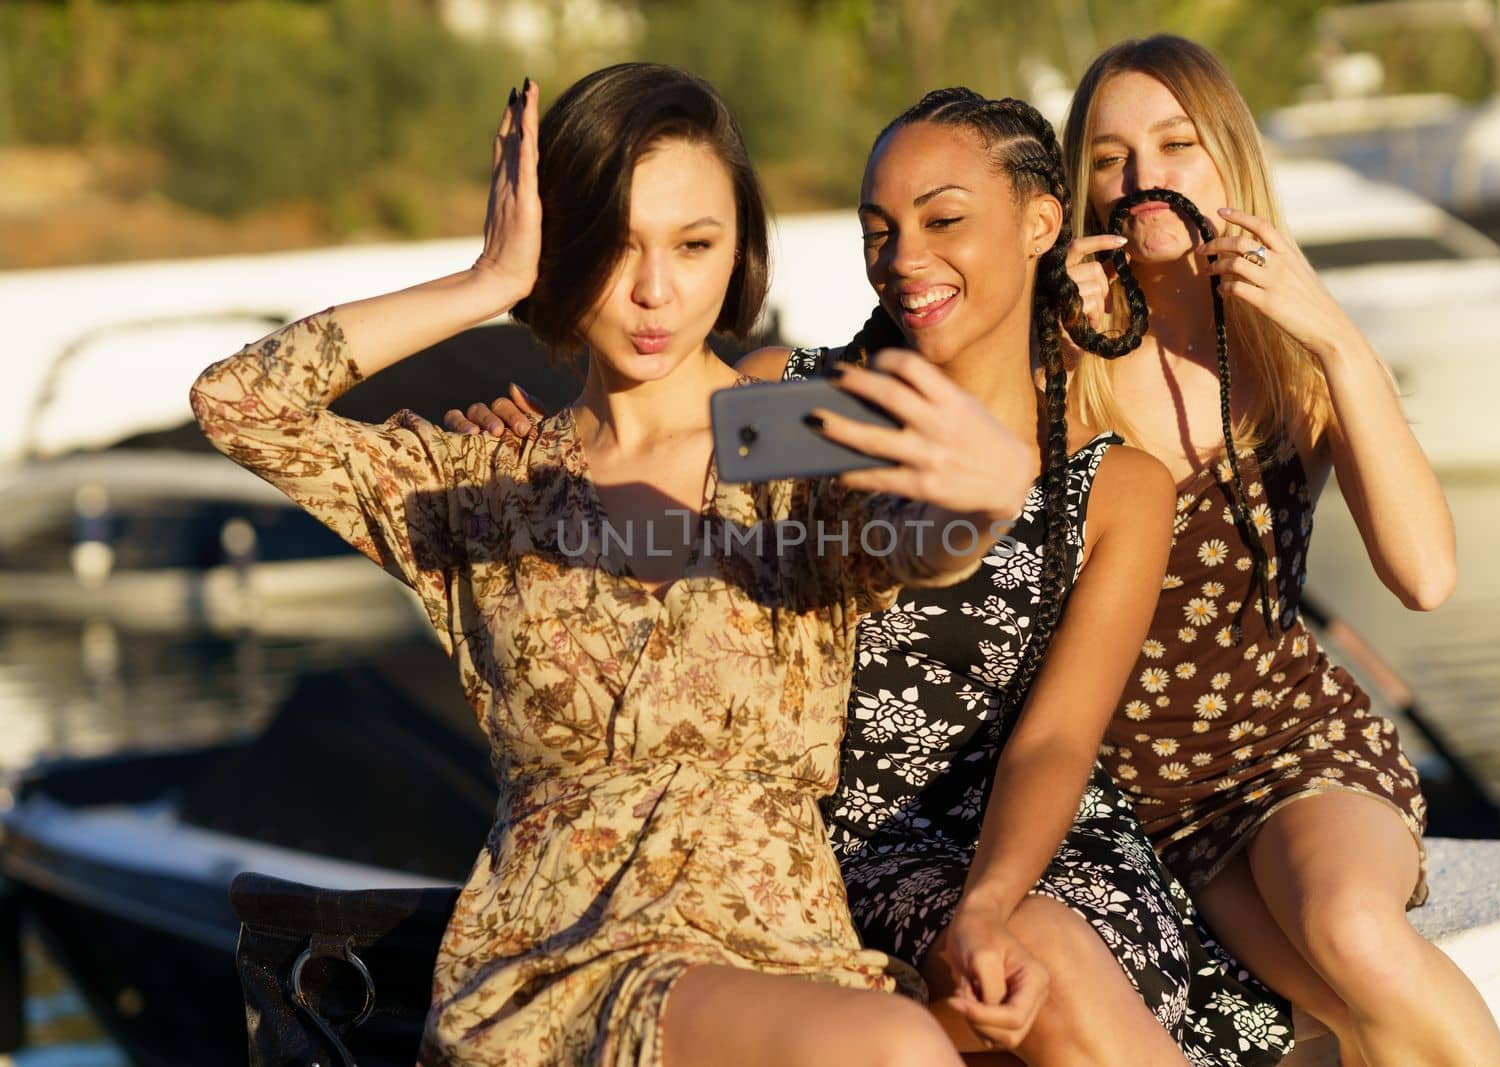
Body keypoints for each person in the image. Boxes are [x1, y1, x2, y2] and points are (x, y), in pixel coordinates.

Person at [191, 63, 1045, 1067]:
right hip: (561, 973)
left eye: (693, 244)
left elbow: (913, 543)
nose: (654, 290)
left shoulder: (802, 441)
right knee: (892, 1051)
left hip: (787, 961)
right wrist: (488, 281)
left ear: (738, 254)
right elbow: (240, 403)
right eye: (616, 245)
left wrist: (984, 502)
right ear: (566, 248)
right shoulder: (475, 490)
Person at [447, 86, 1294, 1067]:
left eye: (943, 220)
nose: (904, 259)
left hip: (1026, 851)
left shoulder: (1115, 487)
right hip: (799, 854)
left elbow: (1058, 737)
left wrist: (985, 897)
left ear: (1039, 222)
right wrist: (531, 455)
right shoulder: (780, 405)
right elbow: (634, 463)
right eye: (879, 230)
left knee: (1045, 946)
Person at [1056, 33, 1500, 1067]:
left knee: (1353, 935)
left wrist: (1337, 339)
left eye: (1175, 144)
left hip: (1292, 749)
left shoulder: (1290, 352)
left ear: (1226, 161)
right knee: (1346, 1016)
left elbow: (1426, 575)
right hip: (1138, 796)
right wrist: (1046, 359)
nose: (1142, 179)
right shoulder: (1058, 357)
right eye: (1108, 156)